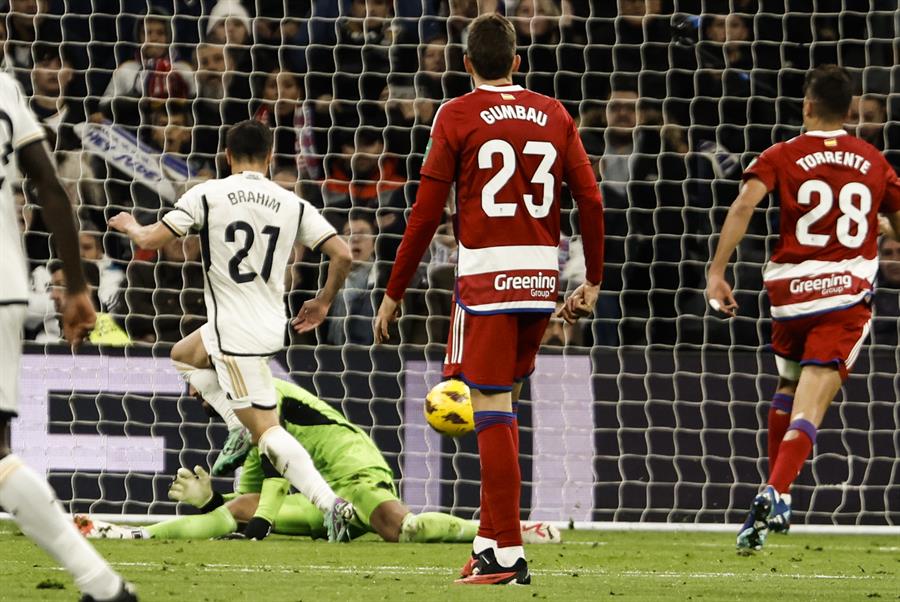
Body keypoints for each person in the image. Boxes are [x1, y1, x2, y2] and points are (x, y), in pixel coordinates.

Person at [373, 14, 604, 585]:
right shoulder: (554, 113)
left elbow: (426, 215)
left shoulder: (456, 114)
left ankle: (505, 554)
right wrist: (592, 279)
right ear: (518, 61)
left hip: (486, 283)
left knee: (492, 414)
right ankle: (488, 540)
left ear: (467, 63)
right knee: (504, 409)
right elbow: (592, 202)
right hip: (540, 283)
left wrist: (393, 291)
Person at [108, 119, 357, 541]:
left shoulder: (207, 194)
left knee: (268, 432)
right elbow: (343, 254)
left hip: (234, 332)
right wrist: (323, 301)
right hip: (266, 322)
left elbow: (150, 241)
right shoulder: (289, 201)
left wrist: (130, 225)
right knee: (183, 356)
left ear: (226, 156)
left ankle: (329, 503)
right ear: (270, 157)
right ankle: (236, 425)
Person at [706, 65, 900, 553]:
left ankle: (776, 496)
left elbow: (743, 205)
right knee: (810, 408)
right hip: (843, 297)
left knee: (788, 387)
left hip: (790, 296)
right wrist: (881, 231)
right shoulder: (873, 160)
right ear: (850, 111)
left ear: (808, 106)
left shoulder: (782, 153)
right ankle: (778, 491)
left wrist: (716, 272)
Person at [75, 378, 562, 546]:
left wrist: (261, 517)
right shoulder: (242, 424)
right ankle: (128, 532)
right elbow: (253, 498)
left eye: (200, 391)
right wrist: (215, 503)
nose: (198, 399)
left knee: (400, 529)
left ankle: (512, 530)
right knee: (241, 509)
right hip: (320, 501)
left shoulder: (264, 396)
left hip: (350, 467)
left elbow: (274, 482)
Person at [0, 72, 136, 601]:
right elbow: (51, 189)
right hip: (7, 286)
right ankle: (103, 587)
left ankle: (103, 587)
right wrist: (77, 286)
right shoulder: (6, 90)